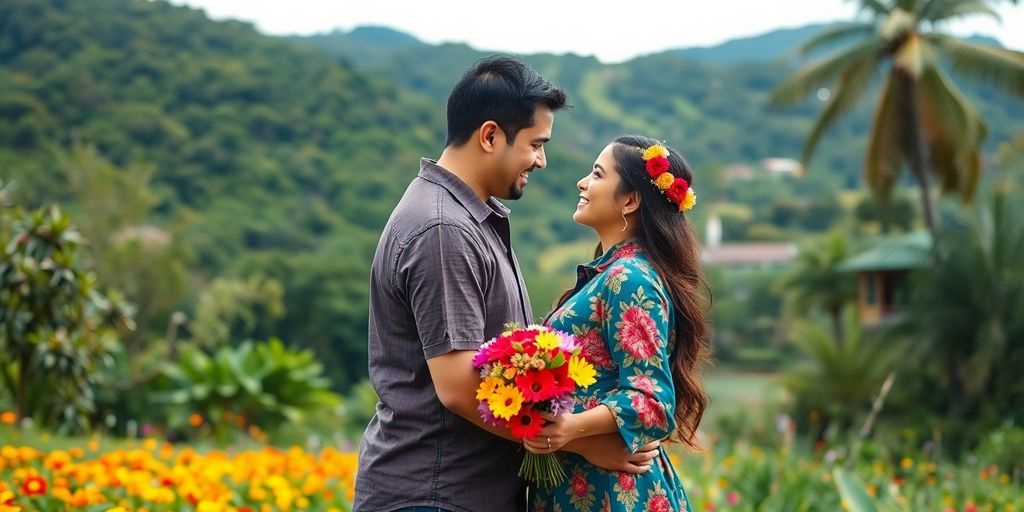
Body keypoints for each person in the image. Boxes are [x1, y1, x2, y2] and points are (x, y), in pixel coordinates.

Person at [354, 57, 660, 512]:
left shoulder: (469, 219)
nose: (542, 160)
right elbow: (459, 385)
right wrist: (573, 442)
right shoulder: (443, 229)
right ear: (491, 136)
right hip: (436, 494)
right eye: (536, 144)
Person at [524, 135, 711, 512]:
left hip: (615, 492)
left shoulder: (629, 278)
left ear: (630, 200)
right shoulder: (609, 275)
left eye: (596, 174)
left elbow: (651, 401)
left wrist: (568, 430)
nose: (582, 182)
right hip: (588, 483)